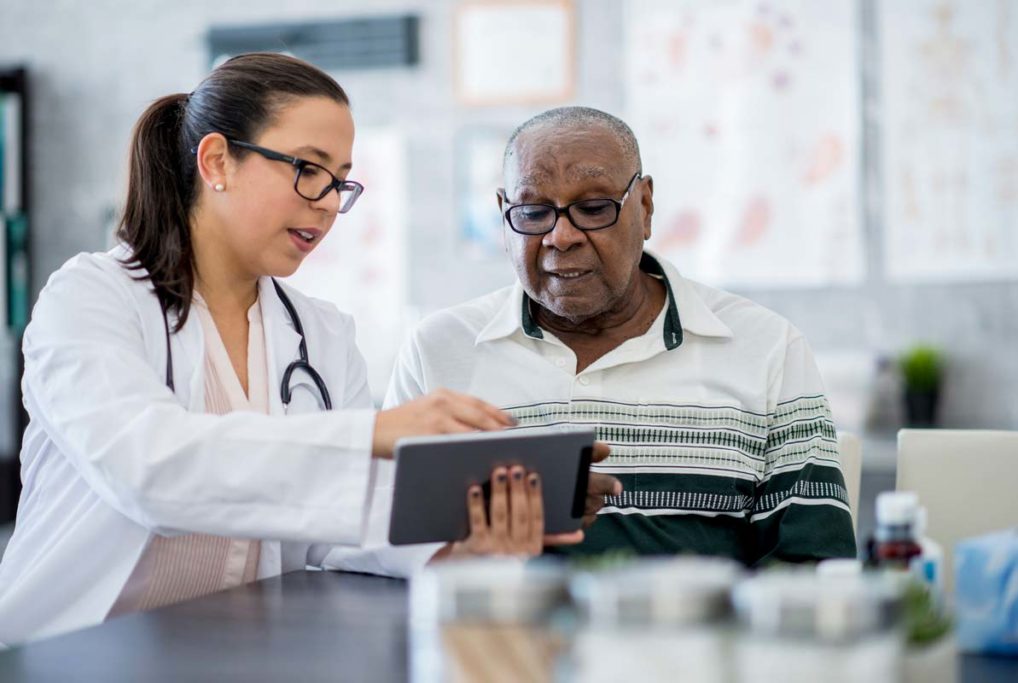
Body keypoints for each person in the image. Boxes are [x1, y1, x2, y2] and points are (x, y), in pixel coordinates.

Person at [0, 54, 589, 647]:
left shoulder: (321, 333)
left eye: (340, 181)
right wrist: (372, 434)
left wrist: (463, 536)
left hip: (240, 654)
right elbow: (148, 470)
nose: (329, 202)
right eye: (308, 169)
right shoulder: (91, 298)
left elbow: (340, 527)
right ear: (216, 162)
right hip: (72, 652)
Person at [326, 107, 855, 574]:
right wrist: (499, 516)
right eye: (533, 213)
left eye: (595, 207)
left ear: (644, 207)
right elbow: (368, 538)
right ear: (503, 215)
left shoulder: (763, 346)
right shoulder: (441, 349)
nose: (561, 236)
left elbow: (814, 565)